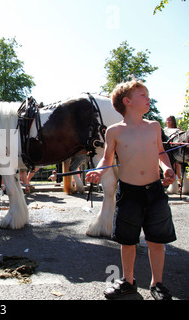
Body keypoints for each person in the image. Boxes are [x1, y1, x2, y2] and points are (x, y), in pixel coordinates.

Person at [86, 80, 177, 300]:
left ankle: (157, 284)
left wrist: (167, 168)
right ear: (128, 101)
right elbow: (107, 160)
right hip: (129, 194)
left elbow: (161, 153)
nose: (148, 98)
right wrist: (98, 172)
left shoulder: (154, 126)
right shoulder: (114, 131)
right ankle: (128, 281)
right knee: (128, 242)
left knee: (156, 240)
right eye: (143, 94)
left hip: (154, 192)